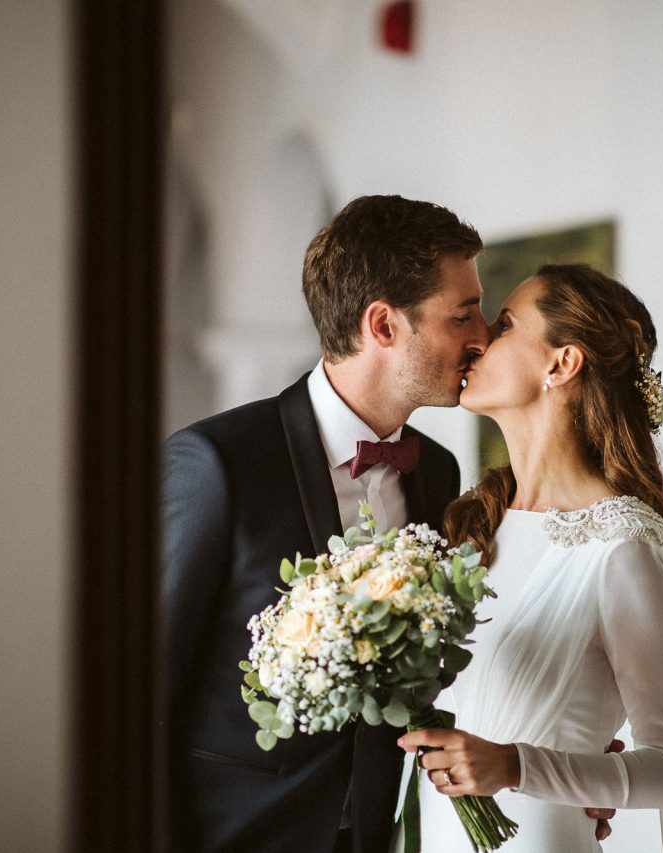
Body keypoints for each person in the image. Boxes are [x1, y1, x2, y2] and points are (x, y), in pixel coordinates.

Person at [161, 195, 487, 852]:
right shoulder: (218, 464)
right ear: (383, 325)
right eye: (463, 314)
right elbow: (141, 695)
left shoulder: (438, 474)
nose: (481, 334)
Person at [397, 264, 663, 852]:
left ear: (561, 363)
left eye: (503, 325)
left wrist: (518, 766)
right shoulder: (472, 526)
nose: (478, 340)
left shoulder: (622, 546)